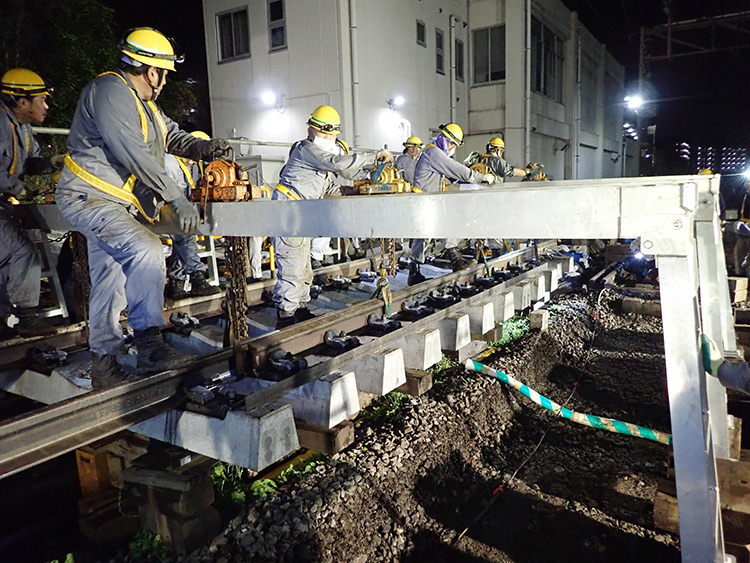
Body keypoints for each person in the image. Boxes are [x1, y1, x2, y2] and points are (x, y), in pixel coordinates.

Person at [55, 27, 230, 388]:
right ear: (152, 71)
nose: (164, 81)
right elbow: (134, 153)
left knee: (110, 280)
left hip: (111, 203)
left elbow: (170, 136)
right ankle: (150, 346)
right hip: (91, 198)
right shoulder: (110, 92)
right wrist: (176, 197)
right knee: (146, 248)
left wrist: (201, 148)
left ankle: (104, 363)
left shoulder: (145, 105)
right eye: (164, 73)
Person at [273, 105, 392, 328]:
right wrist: (373, 157)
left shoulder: (318, 167)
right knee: (292, 265)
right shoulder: (306, 149)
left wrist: (356, 190)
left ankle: (300, 307)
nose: (328, 138)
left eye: (332, 134)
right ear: (311, 130)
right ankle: (286, 315)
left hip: (301, 214)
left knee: (304, 266)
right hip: (287, 213)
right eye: (324, 133)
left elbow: (330, 189)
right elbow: (336, 163)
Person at [0, 68, 62, 338]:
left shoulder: (23, 128)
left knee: (7, 259)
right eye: (42, 100)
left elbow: (31, 162)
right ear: (22, 101)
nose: (46, 106)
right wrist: (20, 189)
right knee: (23, 253)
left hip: (3, 204)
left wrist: (53, 163)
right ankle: (26, 318)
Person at [409, 123, 493, 284]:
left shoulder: (433, 152)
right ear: (446, 140)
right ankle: (455, 259)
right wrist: (479, 177)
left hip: (425, 198)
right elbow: (454, 168)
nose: (452, 148)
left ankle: (414, 273)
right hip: (425, 200)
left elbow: (447, 176)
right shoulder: (434, 152)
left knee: (422, 236)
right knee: (444, 223)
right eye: (452, 144)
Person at [164, 132, 221, 300]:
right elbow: (170, 194)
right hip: (161, 211)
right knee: (185, 234)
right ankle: (197, 277)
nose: (195, 161)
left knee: (183, 236)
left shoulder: (190, 166)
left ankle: (177, 283)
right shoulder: (170, 162)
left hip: (176, 212)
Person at [467, 137, 532, 182]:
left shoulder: (478, 159)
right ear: (498, 150)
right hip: (493, 193)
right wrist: (527, 172)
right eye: (501, 151)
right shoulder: (497, 161)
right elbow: (511, 171)